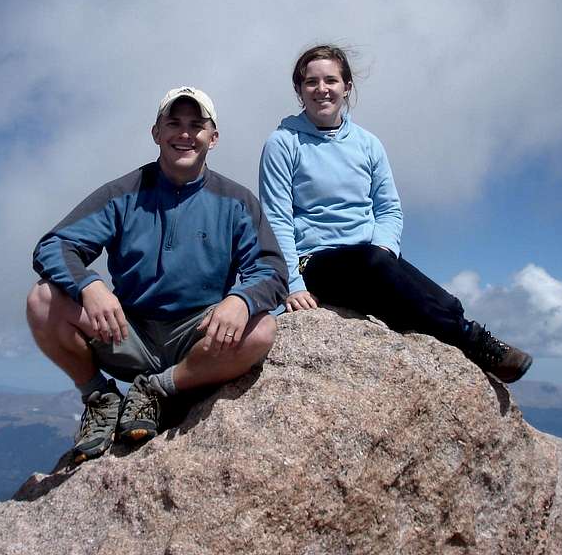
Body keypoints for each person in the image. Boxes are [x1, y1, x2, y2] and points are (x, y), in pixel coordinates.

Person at [27, 86, 286, 470]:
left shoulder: (236, 200)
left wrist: (240, 300)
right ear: (156, 133)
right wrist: (90, 286)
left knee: (261, 330)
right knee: (42, 300)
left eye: (196, 125)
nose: (185, 134)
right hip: (126, 330)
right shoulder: (122, 193)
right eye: (174, 123)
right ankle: (101, 398)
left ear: (212, 139)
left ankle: (159, 388)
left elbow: (271, 269)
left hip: (198, 336)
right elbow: (55, 245)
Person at [258, 45, 532, 383]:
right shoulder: (282, 143)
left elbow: (388, 208)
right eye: (311, 82)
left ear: (347, 87)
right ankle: (474, 341)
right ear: (299, 90)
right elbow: (276, 219)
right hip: (313, 261)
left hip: (371, 259)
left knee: (446, 302)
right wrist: (293, 285)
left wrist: (385, 249)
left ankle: (460, 327)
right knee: (384, 276)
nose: (322, 89)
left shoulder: (367, 144)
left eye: (331, 80)